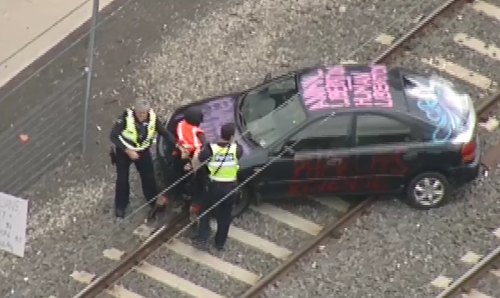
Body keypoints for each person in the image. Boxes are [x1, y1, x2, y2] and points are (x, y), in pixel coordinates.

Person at [109, 97, 174, 219]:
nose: (142, 116)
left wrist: (177, 145)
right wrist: (127, 150)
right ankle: (121, 205)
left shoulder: (153, 118)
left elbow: (164, 133)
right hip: (124, 152)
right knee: (122, 179)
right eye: (139, 113)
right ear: (135, 111)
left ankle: (152, 200)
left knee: (149, 176)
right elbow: (113, 136)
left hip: (142, 151)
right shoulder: (125, 118)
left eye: (144, 113)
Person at [192, 123, 242, 251]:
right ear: (231, 137)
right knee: (225, 216)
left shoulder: (211, 149)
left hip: (214, 187)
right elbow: (238, 155)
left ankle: (202, 239)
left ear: (221, 134)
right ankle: (220, 243)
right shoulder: (237, 149)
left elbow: (201, 158)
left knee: (206, 212)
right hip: (230, 188)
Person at [171, 107, 207, 201]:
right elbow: (203, 145)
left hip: (179, 153)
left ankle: (177, 192)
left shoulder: (181, 124)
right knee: (192, 178)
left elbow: (177, 138)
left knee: (177, 175)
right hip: (189, 156)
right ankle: (189, 195)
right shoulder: (197, 132)